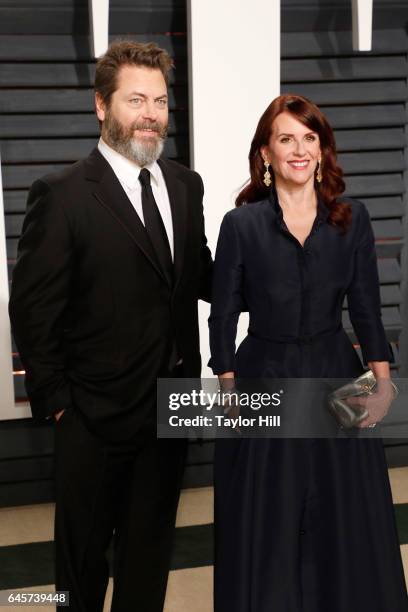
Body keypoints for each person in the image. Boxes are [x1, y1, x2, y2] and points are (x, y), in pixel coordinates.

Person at [9, 41, 212, 612]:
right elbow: (31, 308)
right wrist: (58, 404)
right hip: (91, 418)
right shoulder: (63, 194)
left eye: (161, 101)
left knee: (148, 564)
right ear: (102, 106)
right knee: (82, 572)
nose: (151, 113)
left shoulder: (184, 185)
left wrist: (279, 242)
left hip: (171, 410)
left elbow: (201, 275)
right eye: (136, 99)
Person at [209, 94, 408, 611]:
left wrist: (383, 381)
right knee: (266, 515)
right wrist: (227, 386)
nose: (299, 149)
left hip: (336, 374)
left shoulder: (351, 219)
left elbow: (366, 304)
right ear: (266, 154)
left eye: (309, 137)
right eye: (285, 138)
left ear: (322, 150)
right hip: (261, 377)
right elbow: (223, 314)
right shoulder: (242, 225)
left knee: (341, 512)